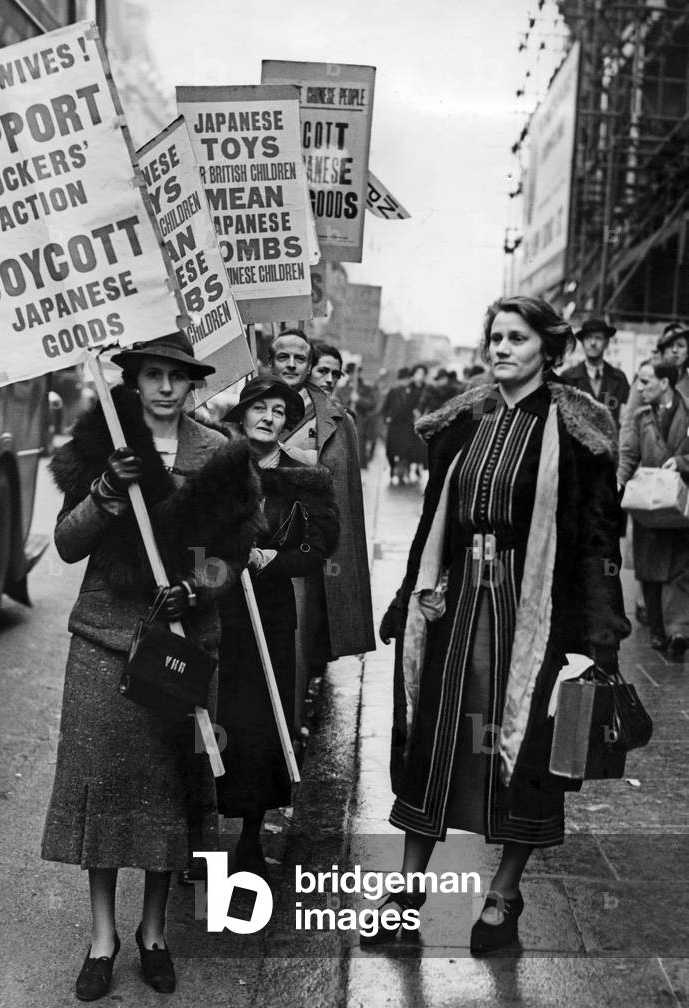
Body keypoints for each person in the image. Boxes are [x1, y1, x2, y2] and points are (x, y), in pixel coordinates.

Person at [373, 296, 630, 953]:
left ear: (551, 347)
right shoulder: (465, 419)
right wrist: (409, 597)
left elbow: (601, 538)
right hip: (456, 609)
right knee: (433, 739)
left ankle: (502, 899)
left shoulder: (579, 430)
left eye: (517, 337)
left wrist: (601, 635)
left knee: (534, 755)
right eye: (495, 337)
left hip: (540, 616)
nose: (502, 348)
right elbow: (435, 521)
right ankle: (406, 894)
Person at [40, 332, 262, 1000]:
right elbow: (67, 544)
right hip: (103, 640)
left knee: (169, 793)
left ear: (195, 384)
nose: (164, 389)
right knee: (102, 790)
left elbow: (233, 553)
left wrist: (197, 587)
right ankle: (103, 936)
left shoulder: (222, 456)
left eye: (177, 377)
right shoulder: (99, 444)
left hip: (181, 646)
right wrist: (106, 493)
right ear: (134, 381)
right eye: (152, 375)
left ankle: (154, 932)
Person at [215, 374, 339, 875]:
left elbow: (318, 547)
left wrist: (271, 558)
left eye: (280, 412)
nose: (268, 418)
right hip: (217, 612)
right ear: (242, 415)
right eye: (259, 408)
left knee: (259, 727)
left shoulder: (302, 479)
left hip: (267, 617)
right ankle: (198, 837)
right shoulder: (216, 467)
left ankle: (248, 838)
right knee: (209, 721)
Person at [269, 328, 375, 665]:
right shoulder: (253, 402)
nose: (291, 365)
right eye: (283, 357)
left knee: (301, 634)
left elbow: (342, 492)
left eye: (299, 359)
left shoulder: (334, 418)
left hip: (306, 544)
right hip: (260, 535)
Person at [618, 360, 689, 658]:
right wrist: (619, 482)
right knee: (649, 572)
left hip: (680, 504)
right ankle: (659, 632)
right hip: (648, 503)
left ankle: (679, 632)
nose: (639, 388)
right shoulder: (639, 417)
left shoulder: (687, 413)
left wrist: (683, 462)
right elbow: (628, 453)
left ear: (665, 383)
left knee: (680, 570)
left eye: (646, 382)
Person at [560, 317, 629, 429]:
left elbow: (626, 421)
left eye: (598, 338)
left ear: (606, 343)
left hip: (610, 443)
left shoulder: (619, 378)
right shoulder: (568, 378)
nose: (593, 343)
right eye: (588, 338)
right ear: (582, 343)